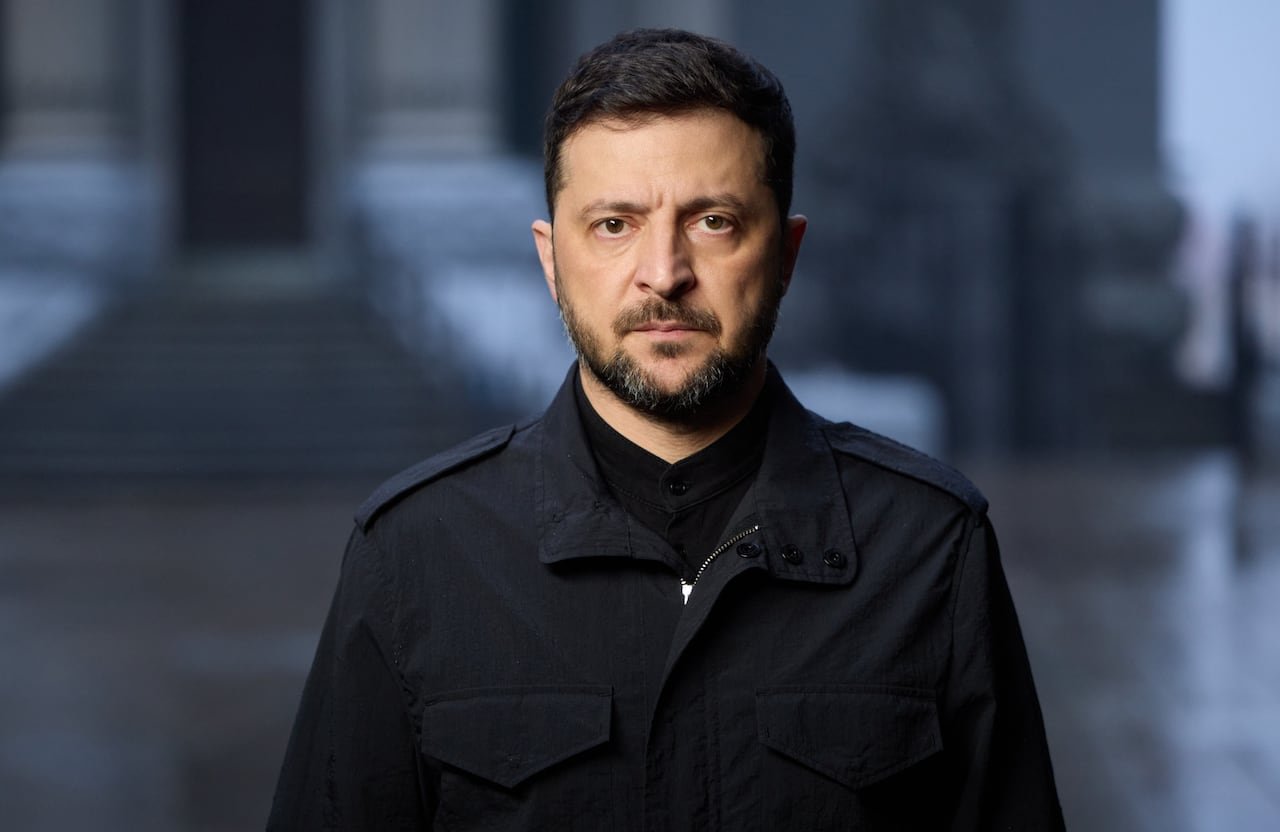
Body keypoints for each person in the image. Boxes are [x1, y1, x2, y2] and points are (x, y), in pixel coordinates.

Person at [268, 28, 1065, 831]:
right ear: (551, 261)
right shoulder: (415, 555)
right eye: (614, 224)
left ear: (786, 255)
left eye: (713, 221)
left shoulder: (928, 547)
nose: (663, 272)